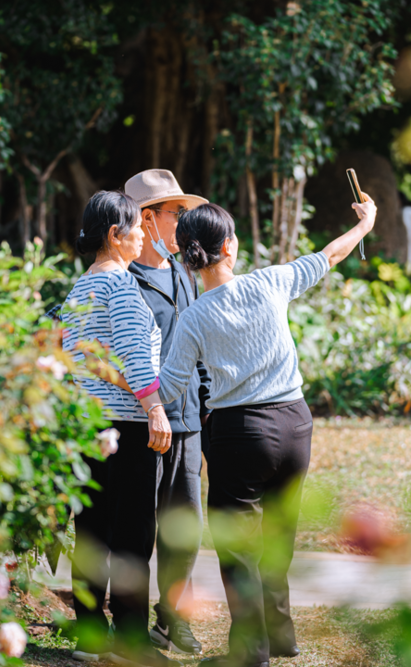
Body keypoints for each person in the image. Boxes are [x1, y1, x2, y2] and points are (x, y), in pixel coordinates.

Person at [156, 196, 377, 667]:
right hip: (296, 425)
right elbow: (331, 254)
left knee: (239, 548)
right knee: (278, 538)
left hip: (241, 433)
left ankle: (250, 653)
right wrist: (366, 224)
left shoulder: (193, 317)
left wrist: (125, 378)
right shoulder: (272, 281)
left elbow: (172, 387)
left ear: (188, 255)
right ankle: (281, 639)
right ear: (230, 248)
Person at [60, 190, 180, 667]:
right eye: (137, 228)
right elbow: (133, 353)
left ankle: (90, 636)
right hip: (128, 426)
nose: (142, 236)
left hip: (87, 425)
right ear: (116, 234)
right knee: (132, 534)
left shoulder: (79, 288)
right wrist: (155, 408)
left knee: (92, 531)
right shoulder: (121, 287)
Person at [123, 169, 211, 656]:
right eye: (176, 213)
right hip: (144, 421)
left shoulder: (181, 270)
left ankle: (173, 617)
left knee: (186, 528)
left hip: (189, 420)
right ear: (147, 219)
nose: (184, 220)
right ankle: (131, 629)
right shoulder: (123, 278)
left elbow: (194, 347)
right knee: (138, 529)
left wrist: (205, 409)